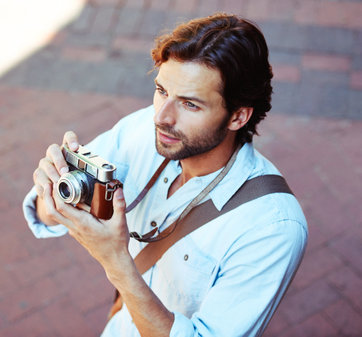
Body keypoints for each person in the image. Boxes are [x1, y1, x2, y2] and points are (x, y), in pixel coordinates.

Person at [23, 13, 308, 337]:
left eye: (189, 104)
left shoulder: (272, 228)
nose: (162, 116)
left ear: (238, 116)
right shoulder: (146, 129)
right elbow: (46, 217)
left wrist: (115, 261)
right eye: (161, 90)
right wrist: (54, 191)